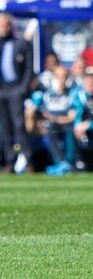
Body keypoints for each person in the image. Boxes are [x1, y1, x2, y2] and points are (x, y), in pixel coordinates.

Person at [0, 12, 34, 174]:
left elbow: (28, 68)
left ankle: (28, 161)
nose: (4, 28)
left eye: (6, 25)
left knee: (19, 126)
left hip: (15, 88)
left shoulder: (20, 44)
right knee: (5, 128)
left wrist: (23, 88)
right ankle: (9, 162)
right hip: (1, 89)